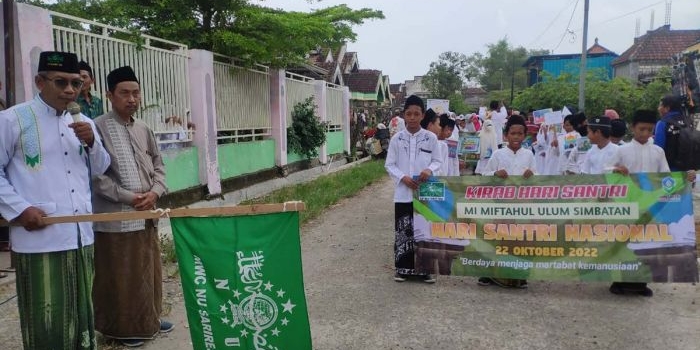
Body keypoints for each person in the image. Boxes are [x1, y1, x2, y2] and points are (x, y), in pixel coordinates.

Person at [0, 51, 110, 349]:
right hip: (40, 237)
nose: (71, 90)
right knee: (47, 319)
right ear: (39, 81)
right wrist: (19, 209)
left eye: (76, 83)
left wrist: (91, 142)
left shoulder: (83, 121)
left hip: (80, 235)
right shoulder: (12, 119)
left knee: (80, 314)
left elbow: (101, 168)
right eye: (61, 82)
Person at [91, 66, 171, 347]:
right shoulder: (97, 127)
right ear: (110, 95)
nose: (131, 99)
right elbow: (97, 178)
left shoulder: (144, 127)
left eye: (135, 93)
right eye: (124, 93)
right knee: (120, 274)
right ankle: (121, 330)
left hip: (148, 212)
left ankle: (149, 319)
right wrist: (129, 197)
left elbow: (159, 164)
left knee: (149, 271)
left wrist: (156, 191)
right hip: (116, 217)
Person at [609, 110, 697, 296]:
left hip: (650, 206)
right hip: (627, 206)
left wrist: (685, 178)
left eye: (649, 130)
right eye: (641, 129)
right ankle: (620, 281)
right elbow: (607, 173)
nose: (645, 133)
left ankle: (641, 284)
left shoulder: (658, 152)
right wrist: (617, 170)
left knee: (647, 244)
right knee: (625, 244)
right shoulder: (621, 150)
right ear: (633, 128)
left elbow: (666, 178)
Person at [385, 95, 441, 283]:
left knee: (424, 230)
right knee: (404, 231)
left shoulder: (431, 138)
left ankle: (425, 270)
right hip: (403, 194)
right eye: (409, 114)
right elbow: (389, 165)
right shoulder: (397, 139)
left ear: (422, 115)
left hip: (425, 193)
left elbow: (438, 161)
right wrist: (403, 178)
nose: (412, 117)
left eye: (416, 113)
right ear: (404, 115)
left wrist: (428, 170)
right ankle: (402, 269)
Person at [477, 115, 534, 288]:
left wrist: (532, 175)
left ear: (524, 135)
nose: (516, 137)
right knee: (497, 238)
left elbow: (539, 178)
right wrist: (495, 174)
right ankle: (488, 273)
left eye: (520, 133)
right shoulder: (498, 155)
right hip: (501, 205)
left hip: (521, 206)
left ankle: (519, 274)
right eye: (513, 133)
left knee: (519, 240)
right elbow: (484, 176)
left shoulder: (529, 155)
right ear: (506, 135)